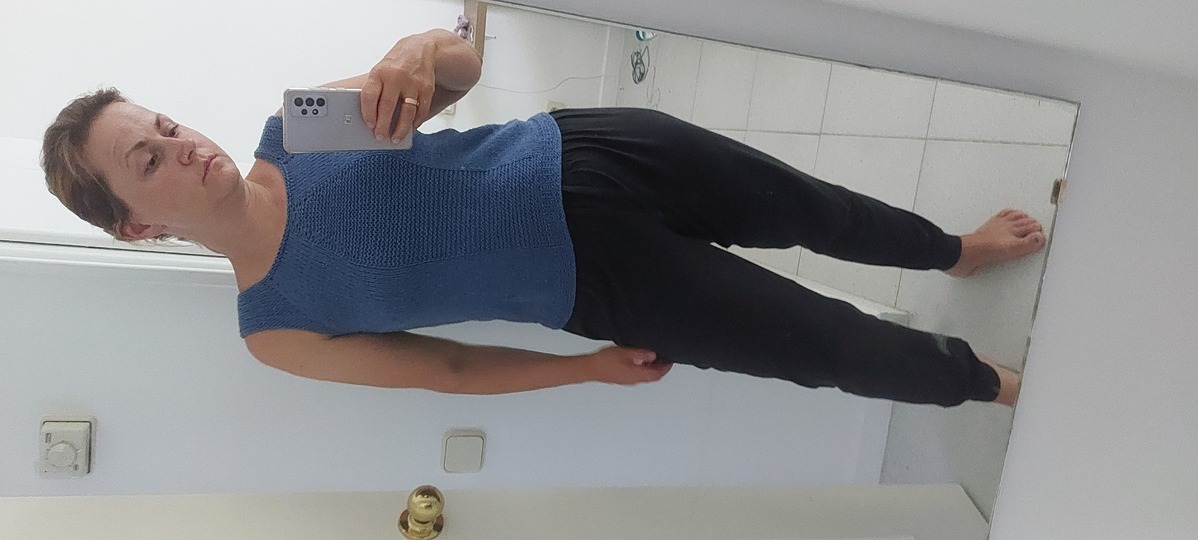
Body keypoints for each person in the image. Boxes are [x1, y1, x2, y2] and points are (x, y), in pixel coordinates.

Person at [42, 28, 1040, 408]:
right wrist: (584, 369)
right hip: (601, 287)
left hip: (598, 151)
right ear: (137, 226)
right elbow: (444, 368)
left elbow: (459, 70)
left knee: (812, 209)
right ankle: (991, 386)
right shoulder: (274, 326)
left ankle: (951, 251)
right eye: (148, 160)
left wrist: (418, 51)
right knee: (823, 347)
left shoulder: (295, 127)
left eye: (164, 125)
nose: (181, 144)